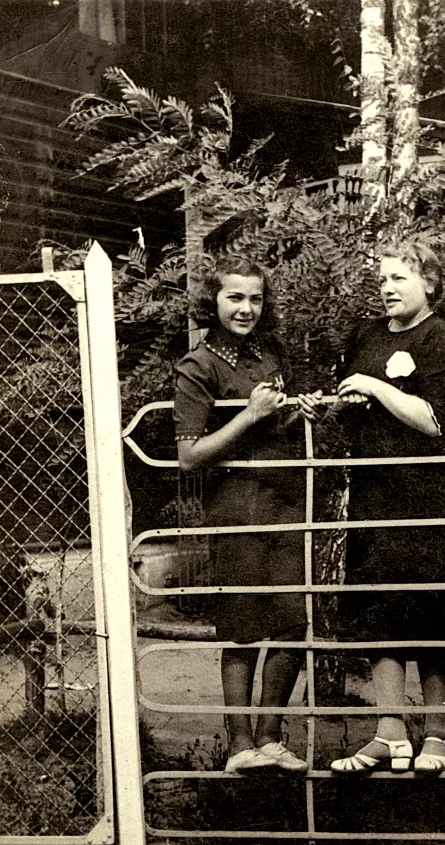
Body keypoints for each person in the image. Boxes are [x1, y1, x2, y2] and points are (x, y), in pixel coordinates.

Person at [174, 256, 321, 774]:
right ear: (212, 301)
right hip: (235, 508)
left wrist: (291, 411)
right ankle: (239, 746)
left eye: (255, 298)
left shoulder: (270, 353)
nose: (246, 308)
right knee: (240, 627)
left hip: (285, 503)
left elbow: (272, 419)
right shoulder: (198, 366)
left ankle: (270, 739)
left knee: (292, 622)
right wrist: (251, 414)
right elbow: (189, 454)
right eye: (235, 297)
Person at [329, 241, 445, 776]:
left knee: (429, 609)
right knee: (379, 605)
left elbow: (434, 419)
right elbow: (354, 402)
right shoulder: (364, 336)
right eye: (383, 279)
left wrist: (374, 385)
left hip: (427, 492)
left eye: (400, 279)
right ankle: (389, 732)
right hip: (373, 489)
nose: (387, 288)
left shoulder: (443, 337)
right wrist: (351, 399)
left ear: (429, 284)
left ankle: (437, 733)